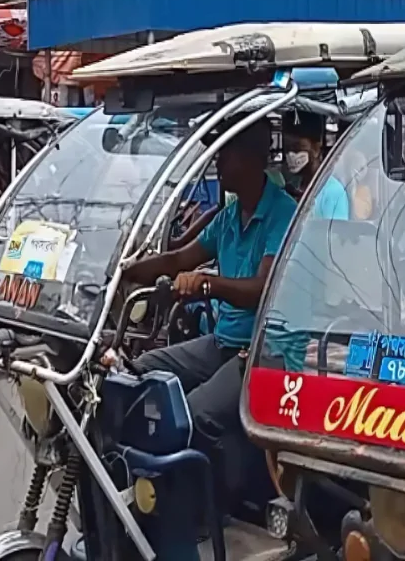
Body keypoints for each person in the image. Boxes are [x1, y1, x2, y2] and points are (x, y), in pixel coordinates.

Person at [125, 118, 298, 516]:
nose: (218, 163)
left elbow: (262, 290)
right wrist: (126, 268)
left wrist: (208, 285)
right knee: (140, 372)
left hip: (264, 351)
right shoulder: (229, 216)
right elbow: (179, 258)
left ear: (253, 159)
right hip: (223, 340)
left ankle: (219, 507)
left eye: (226, 153)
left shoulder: (282, 213)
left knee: (197, 413)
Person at [281, 110, 349, 219]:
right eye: (287, 148)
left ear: (316, 148)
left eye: (298, 147)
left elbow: (334, 234)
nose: (291, 154)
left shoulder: (332, 192)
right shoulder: (293, 187)